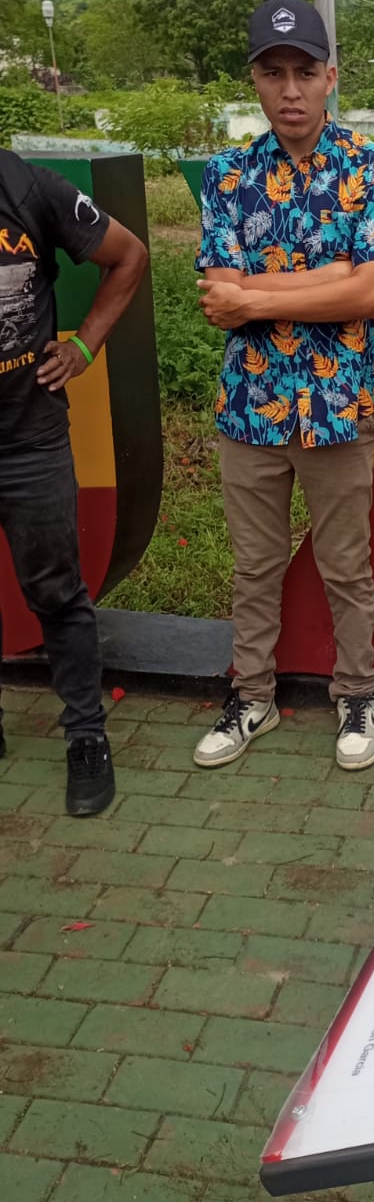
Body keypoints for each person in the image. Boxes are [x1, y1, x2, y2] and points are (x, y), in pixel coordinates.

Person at [194, 0, 374, 773]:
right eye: (272, 73)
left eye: (304, 72)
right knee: (254, 565)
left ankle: (356, 694)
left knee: (345, 564)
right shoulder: (226, 177)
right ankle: (251, 695)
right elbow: (219, 297)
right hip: (250, 407)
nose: (289, 89)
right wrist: (331, 277)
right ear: (255, 80)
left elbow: (372, 294)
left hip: (338, 403)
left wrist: (259, 295)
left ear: (331, 77)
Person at [0, 151, 148, 815]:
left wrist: (84, 345)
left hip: (27, 441)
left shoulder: (25, 186)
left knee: (56, 592)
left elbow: (129, 255)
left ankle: (86, 736)